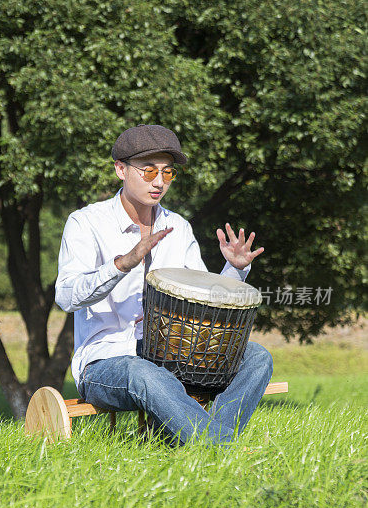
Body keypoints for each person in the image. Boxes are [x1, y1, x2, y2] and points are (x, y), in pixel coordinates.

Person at [55, 124, 273, 444]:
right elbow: (66, 296)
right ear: (120, 169)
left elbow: (204, 305)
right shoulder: (85, 222)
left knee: (257, 357)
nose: (159, 181)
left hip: (175, 358)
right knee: (145, 374)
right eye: (148, 171)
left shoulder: (178, 226)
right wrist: (122, 264)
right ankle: (221, 450)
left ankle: (215, 440)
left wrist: (234, 270)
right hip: (108, 363)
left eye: (167, 172)